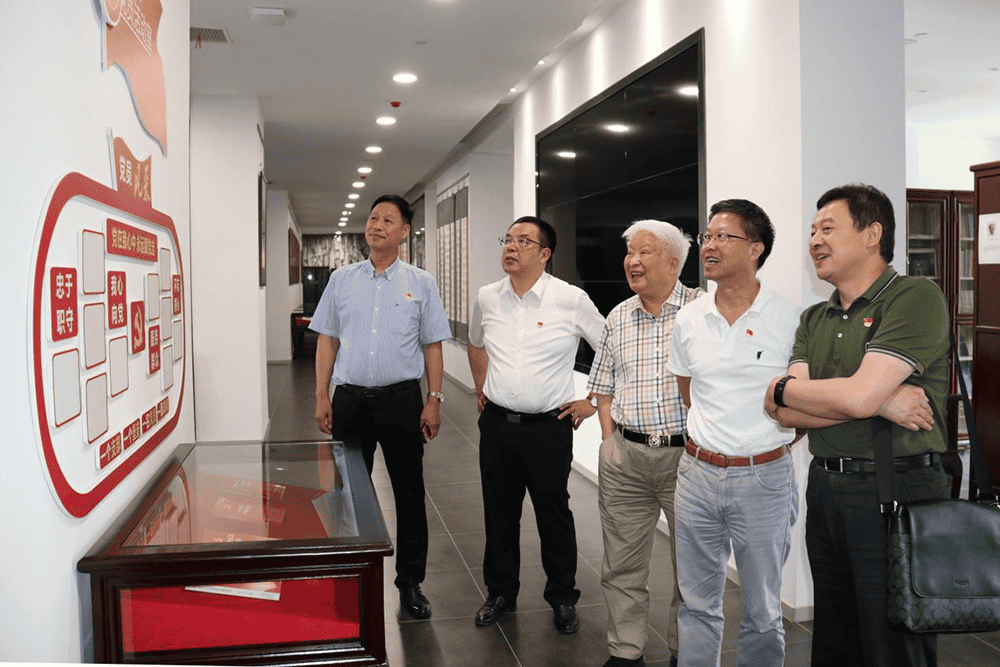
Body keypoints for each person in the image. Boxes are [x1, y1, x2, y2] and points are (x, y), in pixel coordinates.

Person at [764, 183, 950, 667]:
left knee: (894, 640)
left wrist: (791, 389)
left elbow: (823, 397)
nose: (814, 241)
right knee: (835, 637)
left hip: (896, 489)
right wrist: (878, 402)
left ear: (872, 234)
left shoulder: (914, 296)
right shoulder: (815, 317)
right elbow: (786, 413)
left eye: (828, 228)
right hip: (826, 487)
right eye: (812, 231)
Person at [666, 200, 801, 667]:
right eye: (707, 236)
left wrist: (761, 445)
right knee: (696, 603)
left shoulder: (789, 318)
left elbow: (803, 402)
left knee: (763, 609)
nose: (710, 245)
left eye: (723, 236)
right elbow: (690, 392)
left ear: (756, 248)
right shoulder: (688, 318)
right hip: (697, 476)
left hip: (763, 480)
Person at [310, 194, 452, 619]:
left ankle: (410, 581)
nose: (377, 225)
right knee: (347, 493)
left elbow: (433, 345)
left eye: (389, 220)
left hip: (401, 401)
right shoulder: (342, 280)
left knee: (409, 493)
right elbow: (327, 340)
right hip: (350, 400)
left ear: (404, 231)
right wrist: (321, 395)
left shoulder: (421, 283)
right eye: (373, 218)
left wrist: (434, 400)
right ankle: (350, 576)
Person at [467, 216, 604, 634]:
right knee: (499, 513)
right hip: (497, 426)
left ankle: (562, 596)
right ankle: (500, 592)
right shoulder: (488, 297)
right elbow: (475, 343)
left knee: (553, 514)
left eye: (523, 241)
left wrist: (593, 401)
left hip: (548, 428)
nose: (511, 246)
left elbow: (610, 348)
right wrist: (481, 387)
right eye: (508, 239)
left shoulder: (570, 299)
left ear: (545, 254)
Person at [586, 219, 704, 667]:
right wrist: (609, 442)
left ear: (674, 262)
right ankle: (625, 650)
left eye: (644, 252)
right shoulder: (618, 315)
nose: (632, 261)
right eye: (630, 252)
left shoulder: (702, 310)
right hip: (626, 458)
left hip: (688, 459)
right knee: (621, 563)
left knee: (691, 567)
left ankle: (684, 651)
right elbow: (603, 385)